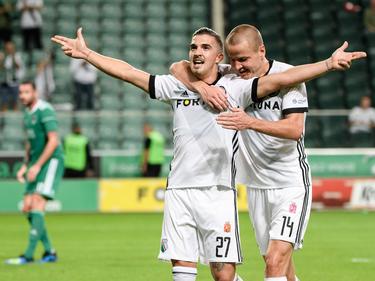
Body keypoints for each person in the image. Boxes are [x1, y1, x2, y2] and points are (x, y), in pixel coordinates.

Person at [51, 27, 365, 281]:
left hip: (219, 193)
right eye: (193, 47)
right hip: (179, 192)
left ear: (219, 57)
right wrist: (87, 54)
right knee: (185, 272)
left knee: (225, 274)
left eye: (205, 47)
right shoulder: (176, 85)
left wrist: (327, 64)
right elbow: (130, 73)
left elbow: (281, 80)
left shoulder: (237, 87)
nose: (197, 52)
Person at [170, 24, 366, 281]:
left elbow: (295, 130)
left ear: (261, 50)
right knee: (280, 266)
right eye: (232, 60)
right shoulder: (234, 76)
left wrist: (329, 63)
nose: (238, 66)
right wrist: (201, 87)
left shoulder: (289, 77)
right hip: (256, 186)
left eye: (243, 59)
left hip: (289, 184)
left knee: (275, 262)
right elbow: (177, 67)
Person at [5, 81, 64, 265]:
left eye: (26, 92)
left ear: (35, 92)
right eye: (20, 92)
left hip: (51, 161)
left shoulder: (45, 110)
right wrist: (25, 165)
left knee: (37, 202)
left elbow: (53, 141)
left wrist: (37, 166)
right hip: (36, 162)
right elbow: (30, 143)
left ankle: (28, 255)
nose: (22, 96)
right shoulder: (27, 114)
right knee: (28, 207)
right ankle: (50, 252)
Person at [0, 41, 25, 111]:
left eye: (11, 48)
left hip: (14, 81)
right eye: (7, 48)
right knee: (3, 99)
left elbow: (18, 67)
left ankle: (15, 113)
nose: (9, 50)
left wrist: (13, 57)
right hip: (4, 81)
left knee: (15, 99)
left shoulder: (17, 56)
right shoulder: (2, 55)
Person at [16, 0, 43, 65]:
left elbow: (40, 7)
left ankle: (39, 60)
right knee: (26, 44)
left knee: (38, 44)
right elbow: (19, 8)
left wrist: (29, 7)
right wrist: (30, 7)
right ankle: (26, 61)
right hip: (25, 24)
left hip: (36, 23)